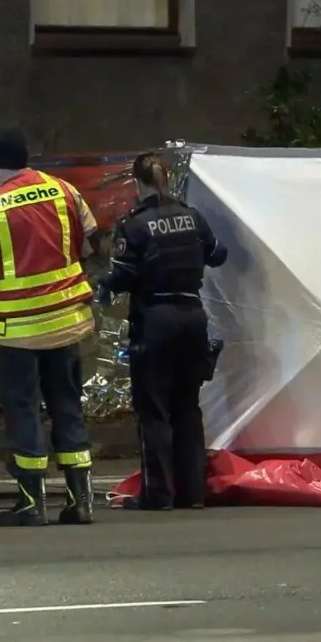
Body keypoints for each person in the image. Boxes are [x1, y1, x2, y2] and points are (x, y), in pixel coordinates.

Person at [0, 127, 101, 526]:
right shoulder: (65, 191)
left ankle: (32, 503)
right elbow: (92, 244)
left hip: (18, 332)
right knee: (67, 406)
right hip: (68, 323)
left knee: (24, 410)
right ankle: (80, 501)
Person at [99, 152, 227, 511]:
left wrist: (105, 285)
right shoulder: (192, 217)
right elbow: (219, 255)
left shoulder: (135, 225)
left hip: (155, 319)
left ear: (137, 183)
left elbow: (122, 275)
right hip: (192, 317)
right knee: (187, 407)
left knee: (154, 409)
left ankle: (159, 494)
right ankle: (193, 493)